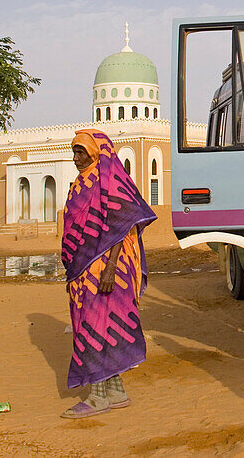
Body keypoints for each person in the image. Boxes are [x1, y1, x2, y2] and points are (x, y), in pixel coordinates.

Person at [59, 129, 156, 418]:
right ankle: (115, 391)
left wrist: (111, 267)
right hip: (84, 268)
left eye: (81, 152)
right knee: (104, 326)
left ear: (97, 153)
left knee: (95, 327)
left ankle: (97, 396)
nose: (76, 158)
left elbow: (124, 223)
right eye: (74, 151)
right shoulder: (81, 183)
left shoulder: (111, 181)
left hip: (106, 270)